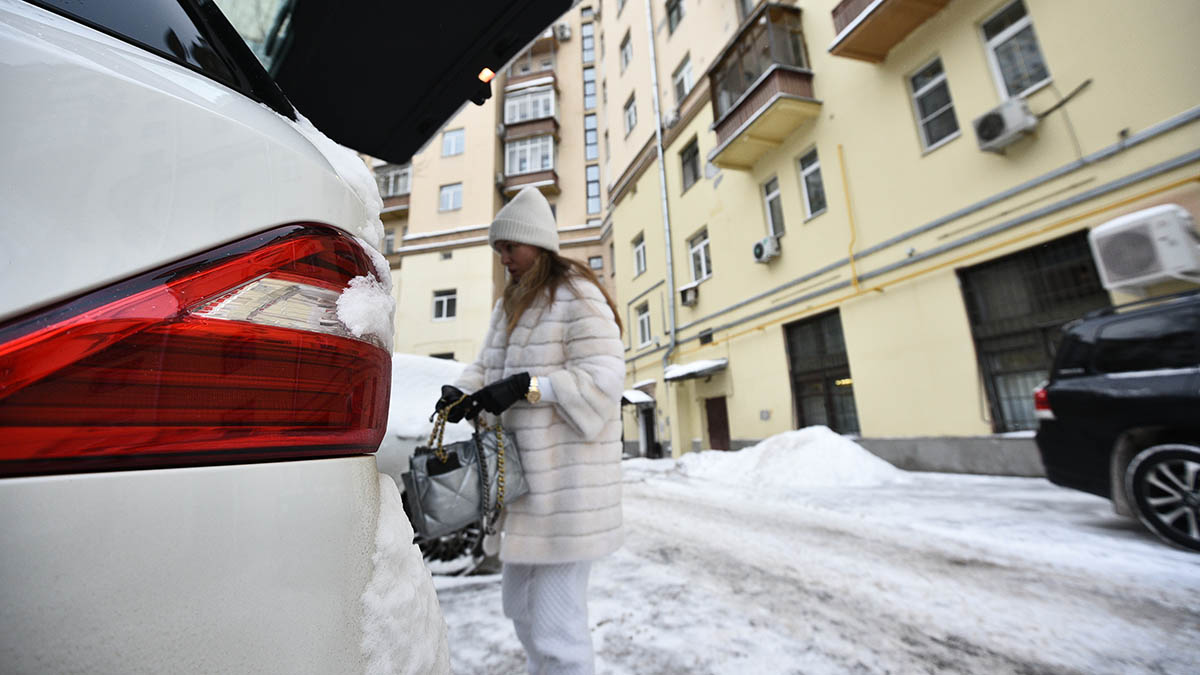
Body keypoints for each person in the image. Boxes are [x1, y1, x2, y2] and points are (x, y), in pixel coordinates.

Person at [435, 186, 625, 675]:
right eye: (498, 248)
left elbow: (603, 380)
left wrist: (528, 387)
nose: (503, 257)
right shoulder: (510, 305)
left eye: (510, 247)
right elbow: (484, 366)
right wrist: (459, 392)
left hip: (567, 490)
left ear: (537, 244)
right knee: (521, 610)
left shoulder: (577, 296)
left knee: (556, 625)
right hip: (522, 484)